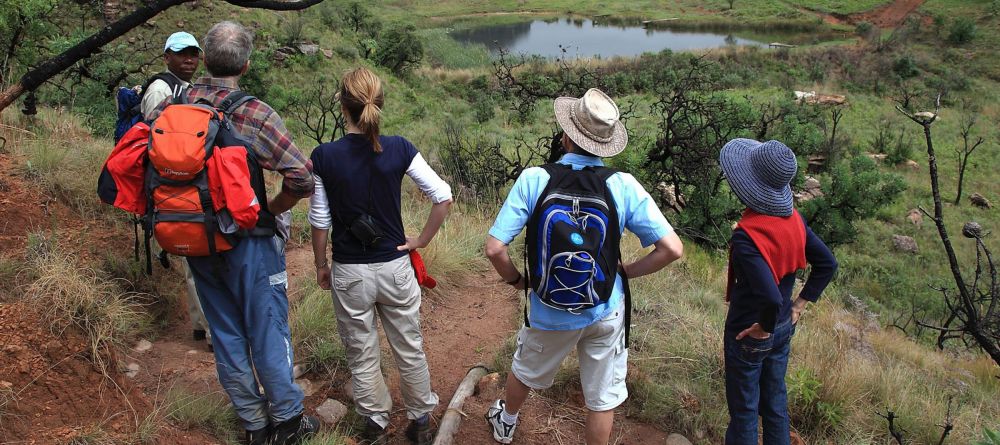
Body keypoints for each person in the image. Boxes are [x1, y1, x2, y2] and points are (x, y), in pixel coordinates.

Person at [149, 21, 318, 445]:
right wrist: (271, 209)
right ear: (245, 64)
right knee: (267, 327)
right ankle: (288, 420)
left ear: (203, 60)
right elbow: (302, 177)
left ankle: (253, 423)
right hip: (250, 240)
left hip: (197, 236)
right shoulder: (254, 112)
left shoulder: (175, 104)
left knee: (224, 330)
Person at [483, 88, 684, 445]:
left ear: (566, 135)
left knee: (525, 369)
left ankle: (506, 422)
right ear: (606, 144)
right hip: (605, 306)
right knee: (601, 399)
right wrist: (626, 273)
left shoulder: (535, 179)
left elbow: (496, 249)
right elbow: (672, 249)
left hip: (549, 308)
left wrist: (518, 280)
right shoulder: (622, 185)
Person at [308, 67, 452, 445]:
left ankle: (375, 423)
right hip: (395, 267)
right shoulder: (400, 148)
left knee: (361, 348)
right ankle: (421, 420)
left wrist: (321, 265)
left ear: (343, 106)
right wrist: (420, 240)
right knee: (409, 342)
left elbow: (320, 219)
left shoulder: (324, 156)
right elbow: (443, 196)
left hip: (350, 271)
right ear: (379, 104)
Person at [718, 138, 838, 444]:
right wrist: (798, 306)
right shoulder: (794, 220)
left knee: (744, 411)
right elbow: (827, 263)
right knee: (774, 403)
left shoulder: (747, 237)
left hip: (751, 331)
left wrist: (763, 327)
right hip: (784, 326)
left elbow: (769, 297)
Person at [139, 31, 213, 349]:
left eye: (194, 54)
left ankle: (200, 324)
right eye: (181, 53)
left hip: (184, 185)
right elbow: (154, 139)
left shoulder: (185, 89)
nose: (189, 59)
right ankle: (211, 331)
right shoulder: (160, 89)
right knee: (199, 253)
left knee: (194, 255)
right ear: (166, 56)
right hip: (174, 187)